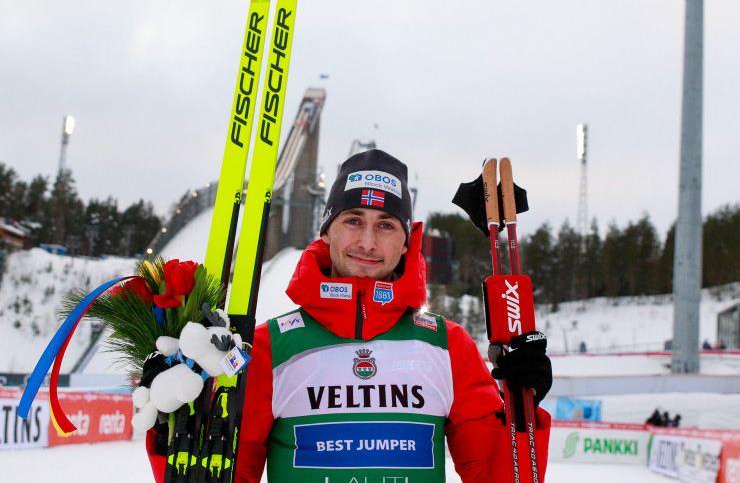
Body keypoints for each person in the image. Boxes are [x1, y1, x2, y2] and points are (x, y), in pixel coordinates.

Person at [147, 149, 552, 482]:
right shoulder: (269, 348)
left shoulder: (447, 346)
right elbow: (224, 475)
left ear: (406, 242)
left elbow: (500, 477)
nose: (367, 242)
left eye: (387, 225)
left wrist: (523, 410)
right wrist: (172, 429)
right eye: (353, 221)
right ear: (327, 230)